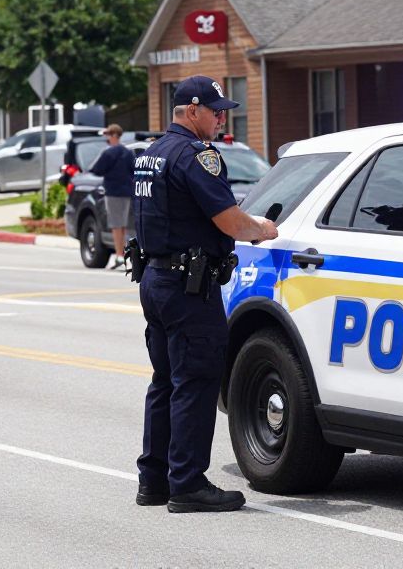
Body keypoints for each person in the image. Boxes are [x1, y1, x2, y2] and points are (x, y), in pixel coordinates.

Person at [132, 76, 277, 512]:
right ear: (191, 110)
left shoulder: (151, 154)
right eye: (215, 111)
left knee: (164, 382)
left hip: (156, 281)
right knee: (194, 382)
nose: (220, 118)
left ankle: (153, 481)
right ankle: (188, 484)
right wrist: (264, 230)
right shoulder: (198, 156)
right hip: (187, 288)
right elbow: (231, 221)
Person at [89, 123, 135, 269]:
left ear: (114, 135)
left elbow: (97, 169)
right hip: (127, 192)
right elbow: (133, 170)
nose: (107, 137)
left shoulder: (108, 153)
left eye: (108, 134)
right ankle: (123, 254)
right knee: (123, 224)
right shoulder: (128, 153)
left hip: (113, 192)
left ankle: (120, 256)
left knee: (116, 225)